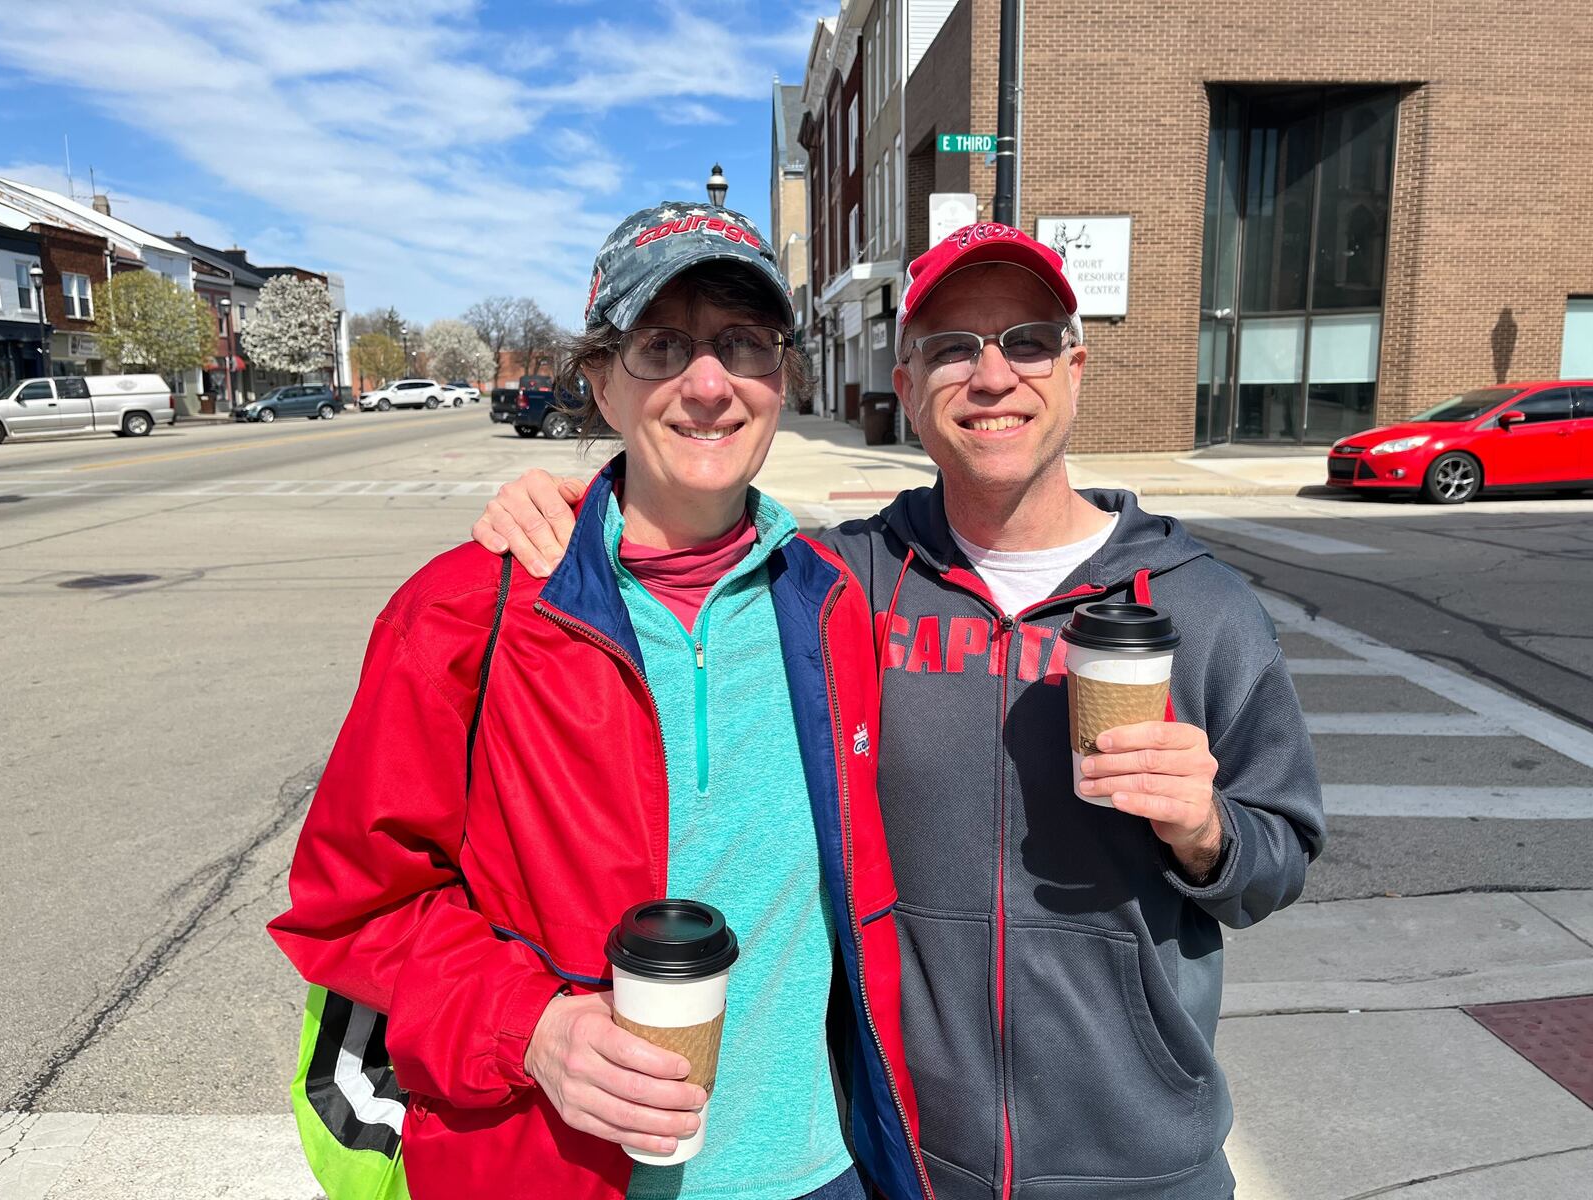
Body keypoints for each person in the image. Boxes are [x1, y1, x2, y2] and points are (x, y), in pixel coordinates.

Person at [471, 222, 1328, 1199]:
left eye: (1028, 342)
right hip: (912, 1161)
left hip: (1141, 1160)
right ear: (909, 385)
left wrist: (1207, 833)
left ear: (1075, 368)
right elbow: (690, 528)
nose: (993, 375)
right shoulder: (844, 584)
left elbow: (1278, 857)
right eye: (953, 348)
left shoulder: (1199, 606)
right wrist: (576, 507)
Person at [270, 203, 932, 1200]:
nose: (707, 385)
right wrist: (529, 1028)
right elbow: (352, 909)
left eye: (742, 344)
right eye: (662, 346)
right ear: (602, 383)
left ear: (782, 379)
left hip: (816, 1171)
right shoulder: (465, 613)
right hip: (562, 1174)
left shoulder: (835, 601)